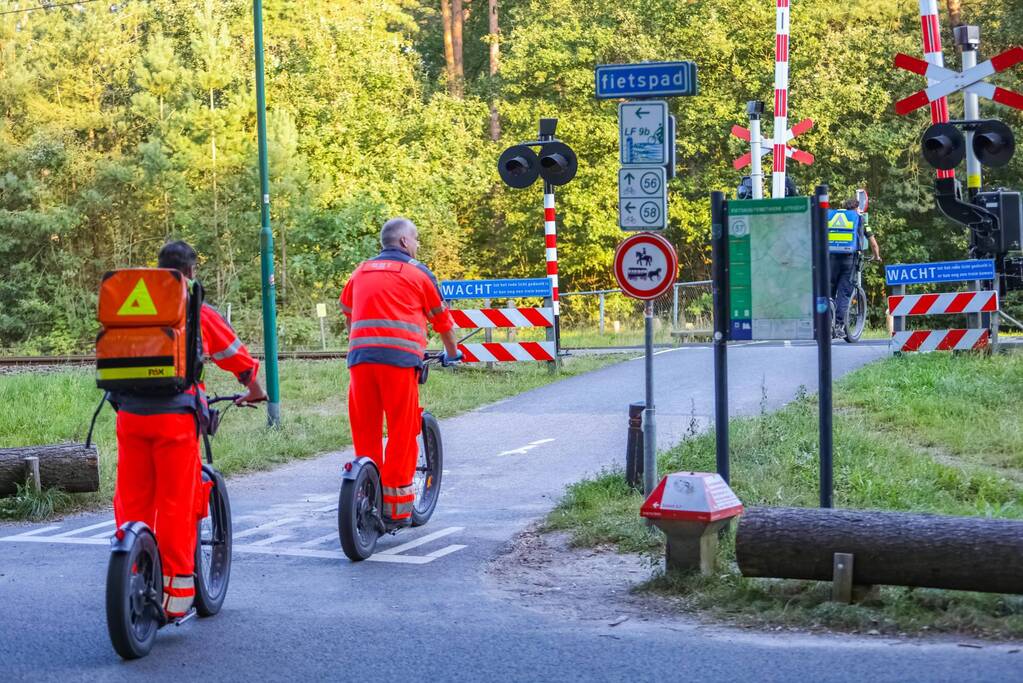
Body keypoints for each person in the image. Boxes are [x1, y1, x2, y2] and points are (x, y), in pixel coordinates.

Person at [110, 240, 266, 619]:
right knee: (178, 503)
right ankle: (176, 593)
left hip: (129, 416)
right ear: (191, 272)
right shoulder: (196, 309)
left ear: (160, 269)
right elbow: (236, 357)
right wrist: (255, 391)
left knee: (132, 500)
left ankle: (132, 570)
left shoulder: (134, 308)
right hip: (175, 421)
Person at [339, 218, 461, 527]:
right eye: (416, 239)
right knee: (402, 432)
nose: (418, 245)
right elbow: (442, 321)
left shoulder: (360, 271)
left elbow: (347, 311)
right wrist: (452, 353)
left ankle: (366, 497)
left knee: (365, 431)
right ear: (404, 242)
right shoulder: (418, 273)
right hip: (399, 363)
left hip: (361, 361)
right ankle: (396, 509)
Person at [828, 198, 881, 336]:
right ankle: (839, 326)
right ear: (856, 208)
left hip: (831, 259)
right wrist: (876, 256)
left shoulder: (833, 217)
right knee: (844, 293)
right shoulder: (860, 219)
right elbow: (873, 243)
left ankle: (825, 324)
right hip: (849, 260)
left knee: (829, 292)